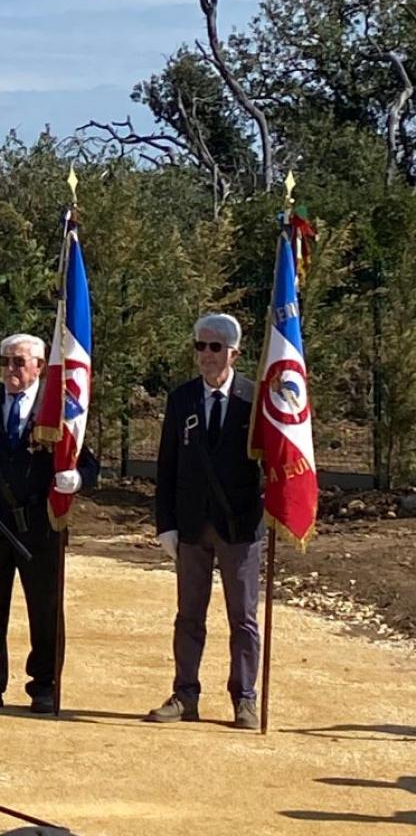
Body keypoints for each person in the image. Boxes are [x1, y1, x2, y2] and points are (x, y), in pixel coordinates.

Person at [0, 333, 99, 715]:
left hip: (40, 526)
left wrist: (76, 479)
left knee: (45, 610)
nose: (11, 369)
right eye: (5, 361)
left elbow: (87, 462)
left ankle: (45, 687)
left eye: (19, 362)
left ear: (40, 367)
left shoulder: (58, 407)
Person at [147, 313, 263, 730]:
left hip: (240, 526)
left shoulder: (257, 398)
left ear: (234, 351)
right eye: (200, 346)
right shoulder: (182, 400)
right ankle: (185, 694)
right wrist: (166, 525)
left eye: (216, 347)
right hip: (193, 526)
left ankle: (245, 698)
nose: (207, 356)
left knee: (243, 618)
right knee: (189, 615)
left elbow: (278, 461)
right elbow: (168, 466)